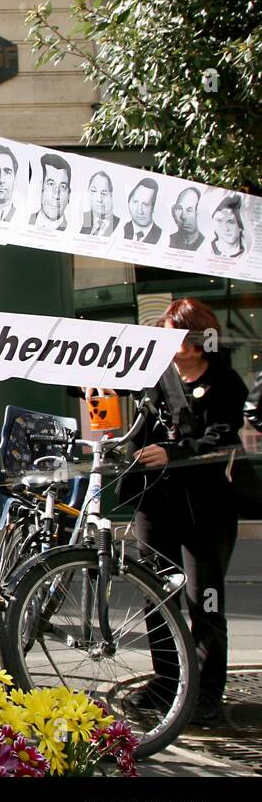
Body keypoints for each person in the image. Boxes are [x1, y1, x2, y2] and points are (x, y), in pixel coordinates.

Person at [107, 297, 245, 726]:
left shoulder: (226, 382)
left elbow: (222, 439)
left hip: (205, 508)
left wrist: (174, 452)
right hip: (157, 505)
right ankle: (167, 683)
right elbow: (136, 437)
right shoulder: (154, 381)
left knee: (204, 602)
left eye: (175, 333)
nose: (168, 341)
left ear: (197, 337)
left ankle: (206, 694)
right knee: (157, 597)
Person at [29, 153, 72, 231]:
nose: (56, 195)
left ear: (69, 195)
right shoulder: (22, 219)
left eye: (62, 187)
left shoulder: (73, 231)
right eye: (51, 184)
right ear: (40, 187)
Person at [122, 177, 163, 244]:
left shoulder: (163, 237)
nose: (139, 211)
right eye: (135, 202)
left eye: (145, 204)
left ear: (154, 207)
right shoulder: (121, 229)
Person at [80, 171, 119, 236]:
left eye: (104, 193)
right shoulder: (82, 219)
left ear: (111, 197)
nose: (99, 199)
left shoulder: (119, 225)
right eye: (93, 191)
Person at [210, 194, 247, 258]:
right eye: (219, 221)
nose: (225, 228)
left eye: (231, 222)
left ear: (240, 226)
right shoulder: (205, 249)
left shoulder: (246, 254)